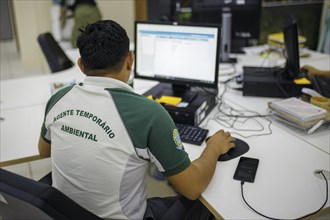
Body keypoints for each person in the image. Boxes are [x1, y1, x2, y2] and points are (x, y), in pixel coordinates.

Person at [38, 20, 235, 220]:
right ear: (130, 60)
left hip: (63, 213)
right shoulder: (149, 113)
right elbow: (192, 187)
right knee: (205, 204)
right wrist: (214, 147)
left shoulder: (58, 98)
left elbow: (44, 150)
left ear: (81, 65)